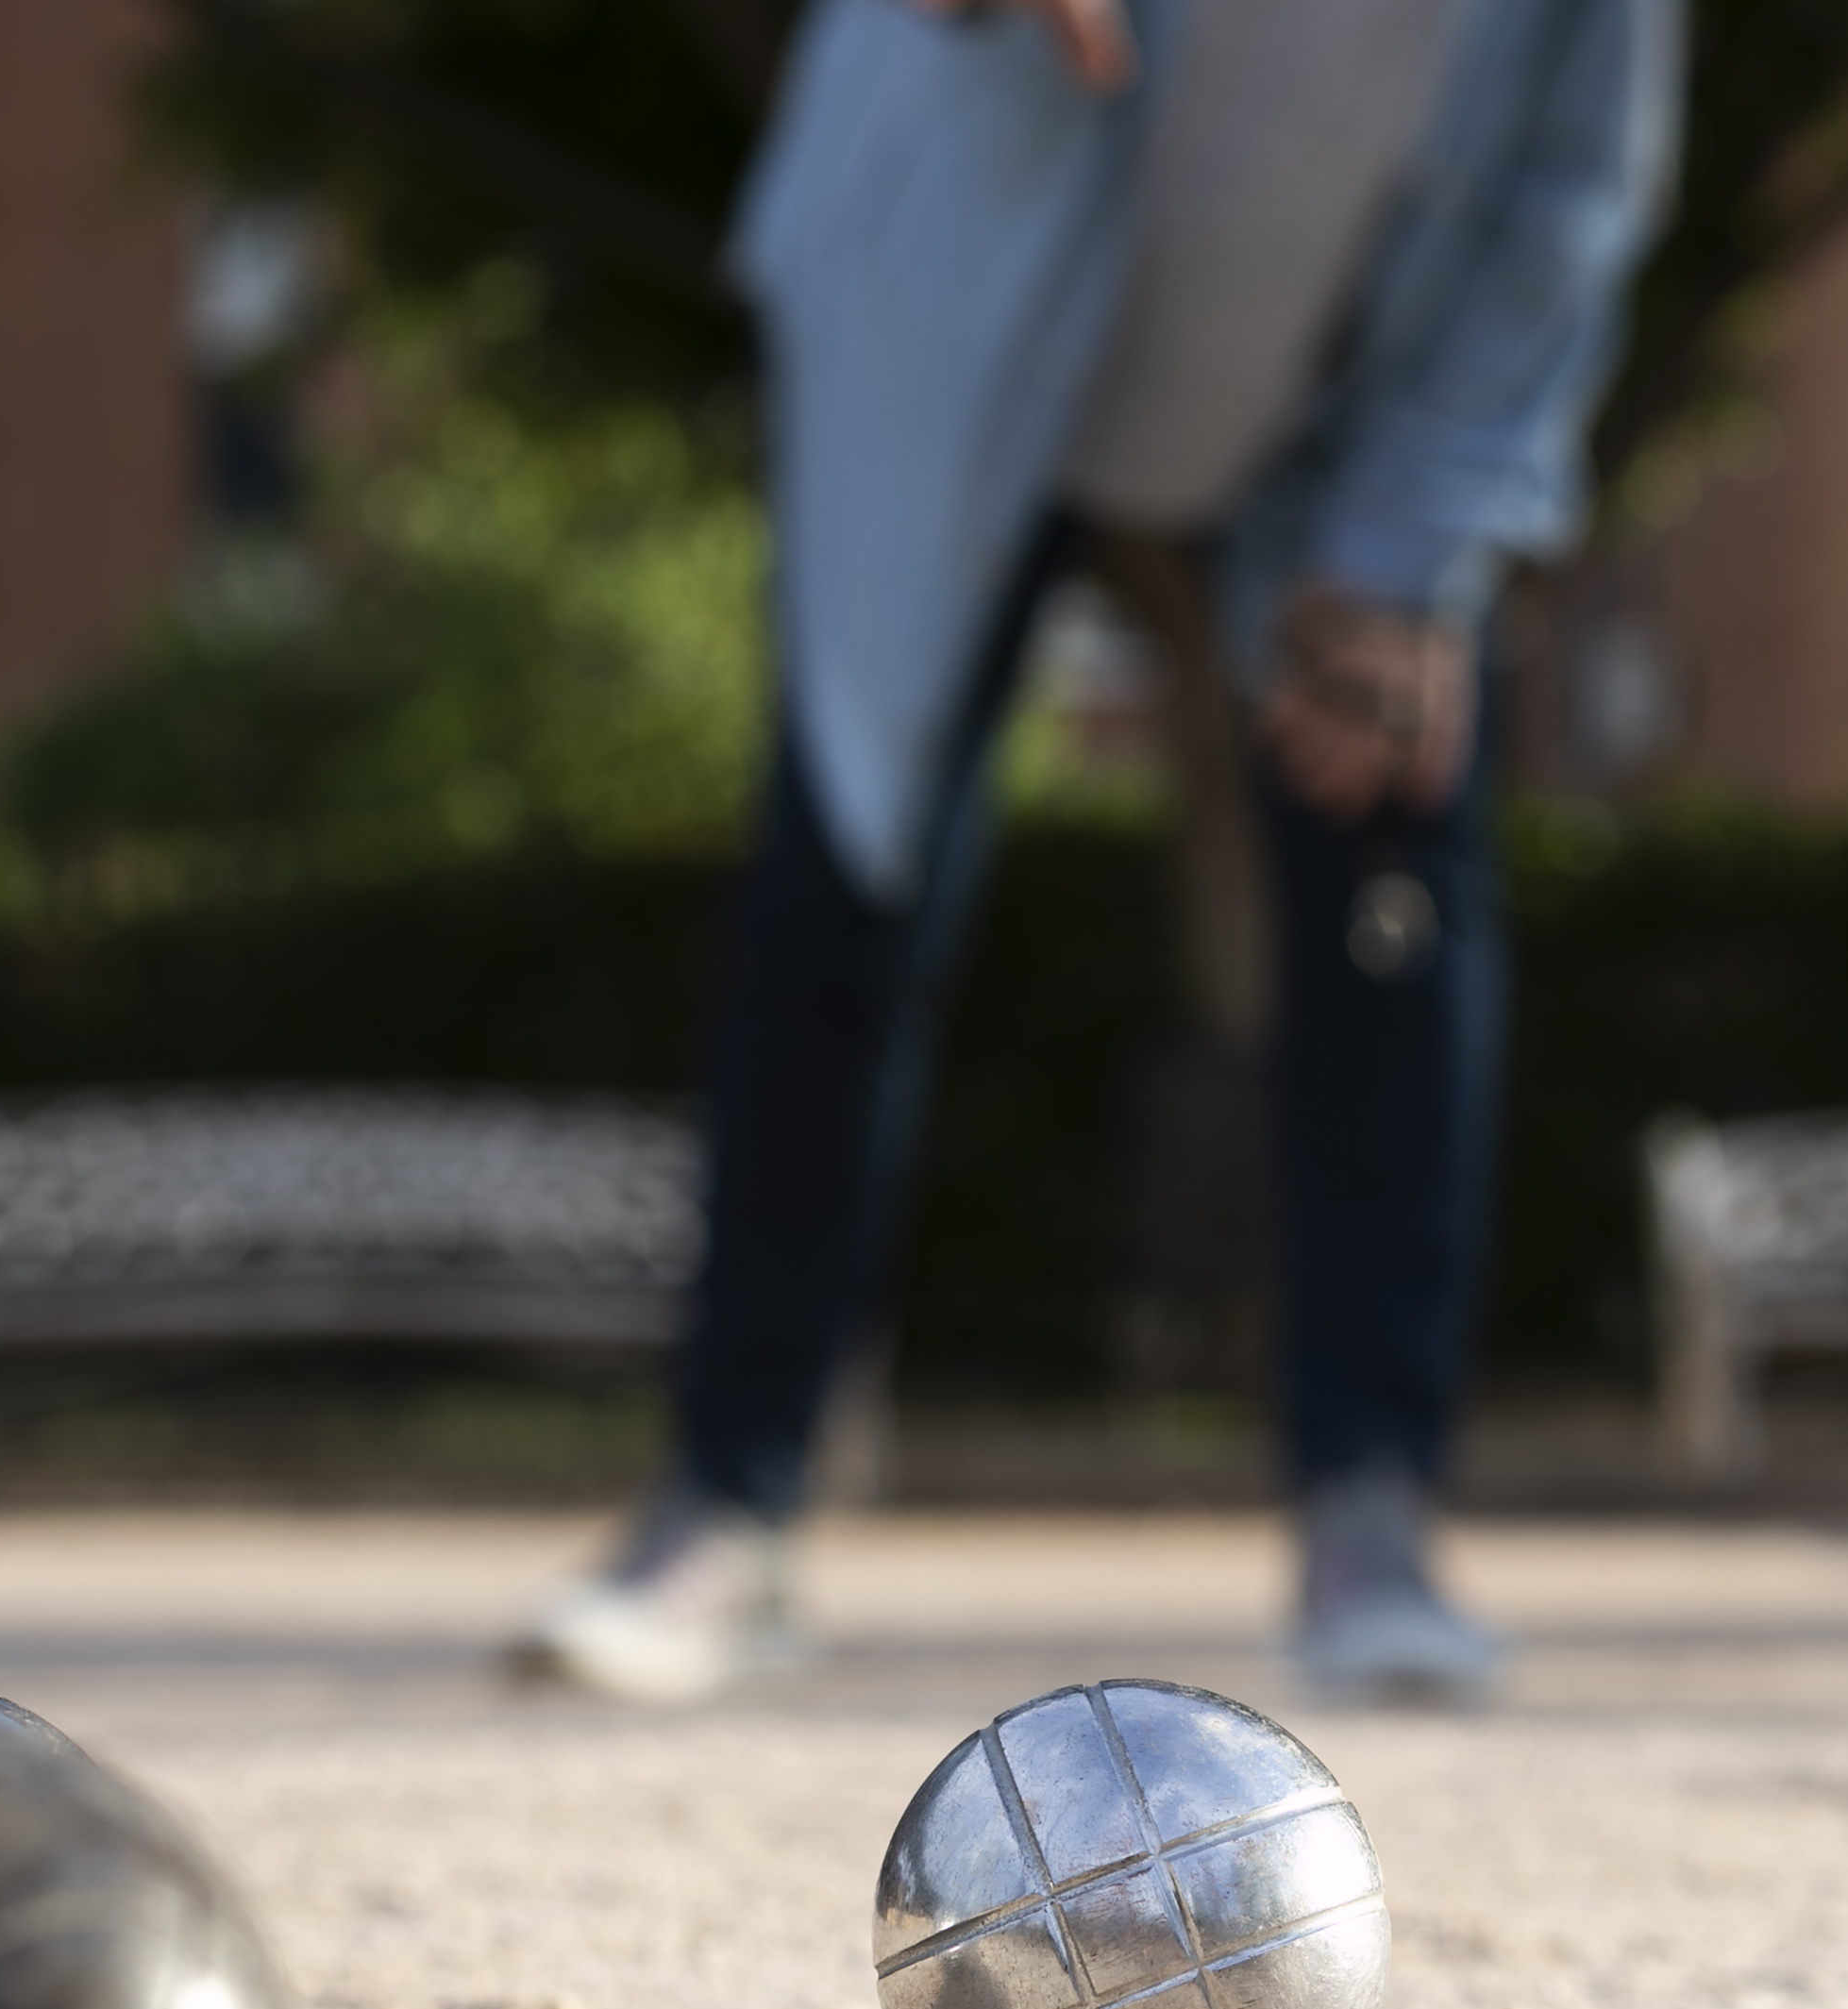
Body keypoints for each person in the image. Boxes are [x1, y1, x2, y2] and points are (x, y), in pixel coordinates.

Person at [519, 0, 1678, 1707]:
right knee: (842, 895)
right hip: (950, 344)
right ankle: (726, 1508)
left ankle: (1374, 1510)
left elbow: (1563, 210)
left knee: (1397, 897)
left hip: (1321, 415)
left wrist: (1409, 555)